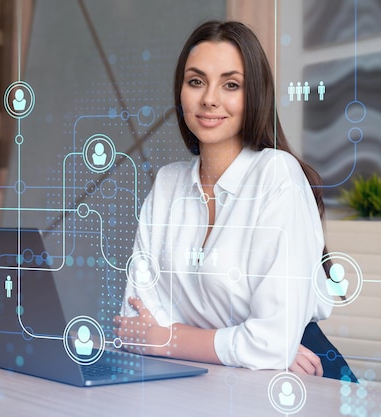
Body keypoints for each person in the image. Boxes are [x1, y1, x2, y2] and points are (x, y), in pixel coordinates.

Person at [114, 20, 355, 381]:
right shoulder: (167, 184)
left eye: (231, 84)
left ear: (254, 94)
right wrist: (246, 348)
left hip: (299, 380)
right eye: (196, 81)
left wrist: (164, 337)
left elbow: (272, 345)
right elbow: (134, 326)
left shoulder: (278, 176)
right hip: (208, 377)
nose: (210, 98)